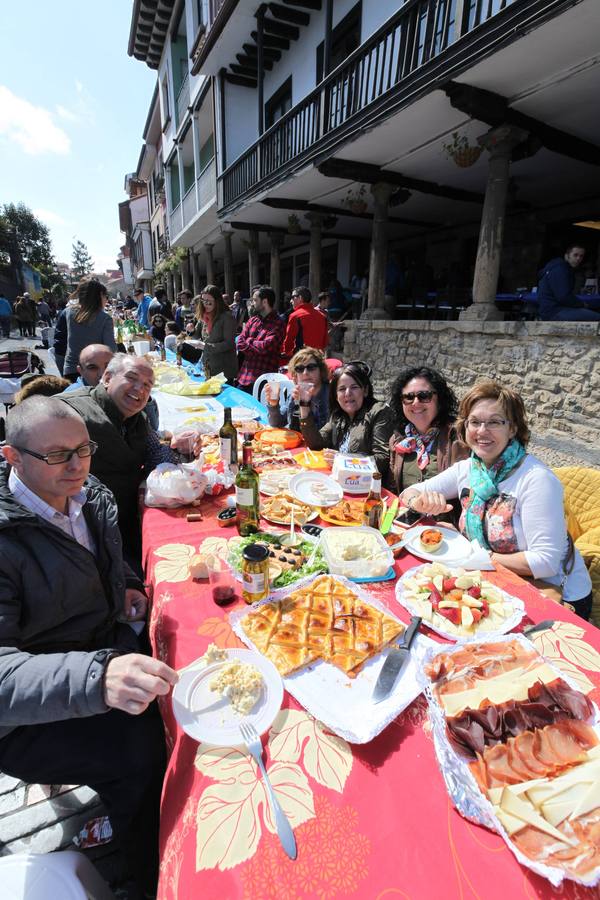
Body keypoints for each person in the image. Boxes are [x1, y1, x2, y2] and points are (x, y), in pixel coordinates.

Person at [0, 396, 178, 896]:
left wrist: (126, 584)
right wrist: (98, 676)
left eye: (84, 448)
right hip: (27, 719)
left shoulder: (90, 493)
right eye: (58, 455)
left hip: (102, 646)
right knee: (141, 752)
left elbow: (110, 559)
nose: (77, 464)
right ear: (12, 457)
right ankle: (149, 874)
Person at [401, 380, 593, 619]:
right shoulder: (469, 469)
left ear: (512, 428)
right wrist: (418, 503)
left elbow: (545, 563)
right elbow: (408, 493)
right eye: (475, 422)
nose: (482, 431)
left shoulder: (536, 480)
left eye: (494, 422)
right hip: (493, 578)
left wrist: (473, 554)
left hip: (554, 594)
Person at [60, 354, 183, 562]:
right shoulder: (70, 413)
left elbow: (154, 451)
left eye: (147, 385)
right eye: (132, 378)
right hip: (86, 538)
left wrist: (174, 464)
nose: (140, 389)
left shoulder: (137, 417)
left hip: (127, 522)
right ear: (107, 378)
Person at [299, 360, 394, 478]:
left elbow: (381, 461)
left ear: (365, 391)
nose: (348, 393)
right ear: (336, 395)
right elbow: (316, 444)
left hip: (366, 487)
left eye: (354, 387)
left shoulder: (379, 412)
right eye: (342, 389)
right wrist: (304, 405)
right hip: (340, 481)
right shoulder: (338, 415)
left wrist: (342, 460)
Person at [387, 366, 469, 494]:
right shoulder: (398, 440)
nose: (416, 403)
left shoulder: (458, 437)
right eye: (408, 397)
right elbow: (393, 490)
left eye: (424, 396)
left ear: (439, 399)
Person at [63, 279, 117, 382]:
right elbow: (111, 349)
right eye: (106, 296)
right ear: (100, 295)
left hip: (70, 369)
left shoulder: (69, 312)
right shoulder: (105, 318)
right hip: (94, 373)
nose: (106, 300)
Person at [266, 347, 330, 431]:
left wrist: (305, 406)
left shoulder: (331, 395)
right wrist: (274, 405)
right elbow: (277, 423)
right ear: (295, 376)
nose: (305, 373)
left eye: (311, 367)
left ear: (321, 371)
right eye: (300, 369)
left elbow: (323, 436)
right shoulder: (294, 394)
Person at [235, 286, 285, 393]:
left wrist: (248, 341)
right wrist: (255, 345)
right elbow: (239, 343)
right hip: (244, 378)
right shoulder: (253, 320)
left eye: (255, 300)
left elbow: (265, 347)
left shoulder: (278, 323)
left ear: (264, 302)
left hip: (265, 382)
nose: (252, 303)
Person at [537, 244, 600, 322]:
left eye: (581, 256)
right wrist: (582, 304)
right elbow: (563, 297)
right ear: (567, 256)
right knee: (597, 317)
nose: (578, 259)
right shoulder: (560, 269)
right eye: (575, 255)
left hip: (555, 310)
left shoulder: (562, 268)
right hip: (554, 311)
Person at [193, 285, 238, 382]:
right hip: (208, 367)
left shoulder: (227, 317)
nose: (205, 304)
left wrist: (205, 346)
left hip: (223, 370)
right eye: (203, 301)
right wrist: (191, 330)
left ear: (217, 301)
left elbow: (229, 344)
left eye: (209, 302)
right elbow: (196, 335)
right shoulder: (204, 315)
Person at [281, 287, 329, 361]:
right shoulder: (322, 316)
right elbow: (325, 342)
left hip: (302, 359)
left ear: (300, 298)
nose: (291, 301)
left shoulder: (295, 316)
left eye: (292, 297)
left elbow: (289, 342)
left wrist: (286, 353)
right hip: (318, 359)